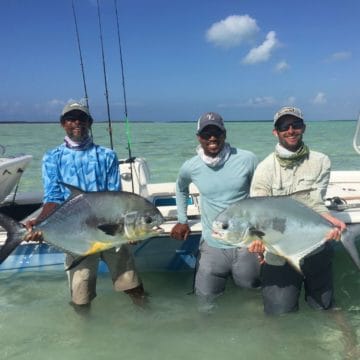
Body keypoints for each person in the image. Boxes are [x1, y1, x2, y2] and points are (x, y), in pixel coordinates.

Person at [25, 101, 146, 312]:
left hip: (109, 228)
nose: (77, 122)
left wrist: (130, 229)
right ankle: (83, 334)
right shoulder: (52, 158)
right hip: (75, 230)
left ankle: (147, 316)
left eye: (82, 118)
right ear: (63, 124)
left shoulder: (106, 155)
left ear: (90, 122)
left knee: (132, 285)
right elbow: (52, 197)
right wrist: (40, 223)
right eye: (71, 118)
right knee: (81, 296)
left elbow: (115, 197)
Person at [250, 106, 346, 315]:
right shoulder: (264, 169)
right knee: (279, 313)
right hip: (279, 254)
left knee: (325, 309)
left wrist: (329, 222)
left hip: (314, 249)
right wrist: (259, 239)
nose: (291, 130)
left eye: (296, 125)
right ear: (275, 132)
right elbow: (259, 214)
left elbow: (315, 203)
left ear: (304, 128)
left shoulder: (321, 161)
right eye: (284, 126)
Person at [170, 112, 261, 311]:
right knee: (204, 303)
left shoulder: (247, 159)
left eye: (217, 132)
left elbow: (263, 193)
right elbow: (180, 188)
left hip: (246, 244)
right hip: (212, 244)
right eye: (206, 133)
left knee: (253, 298)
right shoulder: (191, 166)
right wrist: (182, 219)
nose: (212, 138)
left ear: (225, 134)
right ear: (198, 137)